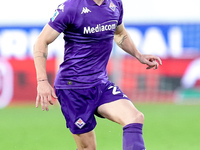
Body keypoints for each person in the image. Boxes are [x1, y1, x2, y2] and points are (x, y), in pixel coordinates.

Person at [33, 0, 162, 149]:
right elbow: (41, 41)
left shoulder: (115, 4)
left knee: (135, 118)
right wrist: (42, 80)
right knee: (88, 148)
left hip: (101, 84)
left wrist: (139, 55)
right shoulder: (71, 7)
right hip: (73, 88)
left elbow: (119, 33)